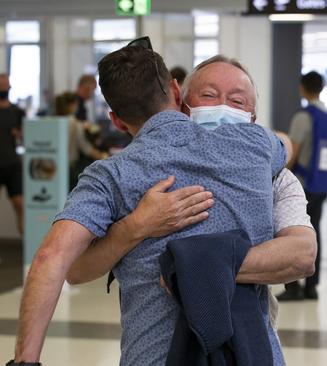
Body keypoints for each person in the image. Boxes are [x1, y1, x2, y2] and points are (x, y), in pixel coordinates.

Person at [11, 42, 295, 366]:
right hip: (251, 354)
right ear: (177, 92)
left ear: (116, 120)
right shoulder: (255, 144)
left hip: (152, 356)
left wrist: (25, 360)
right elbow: (286, 145)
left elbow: (52, 257)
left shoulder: (111, 175)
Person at [277, 71, 327, 301]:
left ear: (303, 88)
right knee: (314, 230)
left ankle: (294, 286)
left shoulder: (303, 117)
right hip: (323, 184)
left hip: (303, 184)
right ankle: (312, 287)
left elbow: (292, 151)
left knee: (289, 232)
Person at [53, 92, 108, 190]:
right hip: (69, 170)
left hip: (53, 168)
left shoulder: (52, 121)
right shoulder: (74, 123)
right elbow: (86, 148)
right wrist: (103, 157)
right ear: (72, 105)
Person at [0, 73, 25, 235]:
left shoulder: (17, 112)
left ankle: (28, 251)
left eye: (5, 85)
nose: (4, 88)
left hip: (12, 164)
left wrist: (20, 134)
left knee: (20, 205)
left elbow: (25, 136)